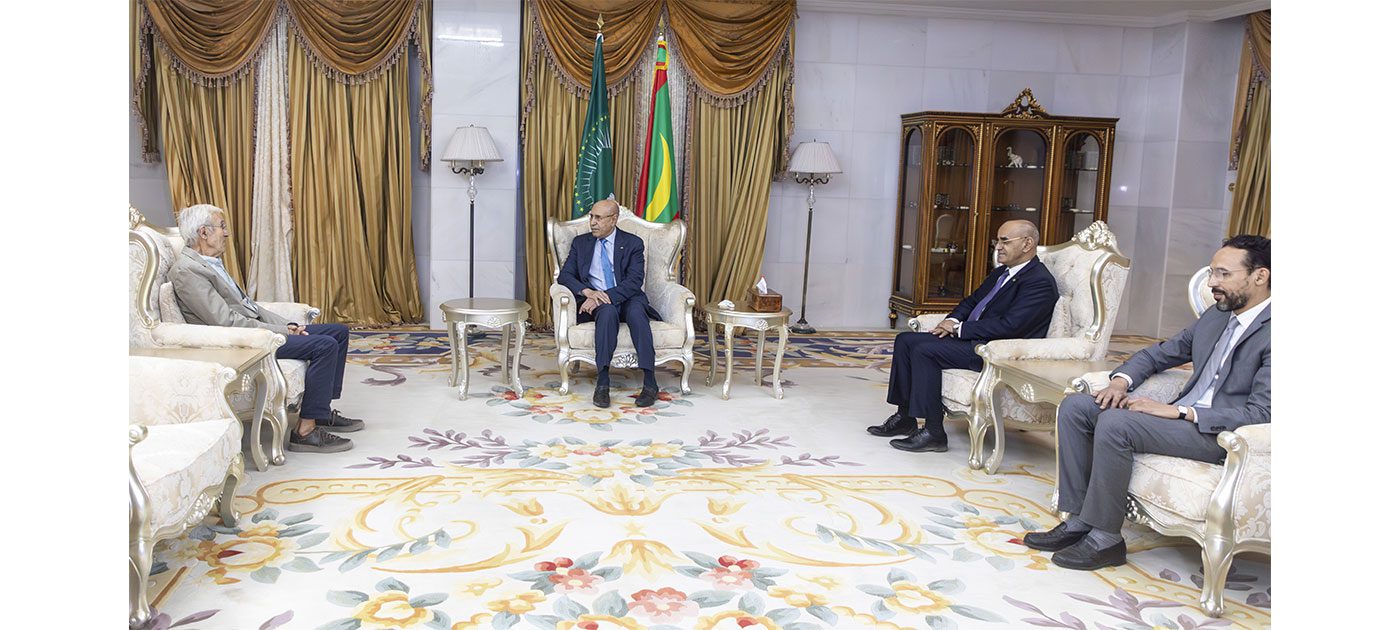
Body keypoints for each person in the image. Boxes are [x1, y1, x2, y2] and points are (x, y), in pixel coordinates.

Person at [1023, 235, 1271, 571]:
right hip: (1183, 420)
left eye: (1223, 274)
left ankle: (1106, 540)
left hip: (1221, 435)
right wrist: (1119, 382)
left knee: (1116, 423)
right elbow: (1159, 354)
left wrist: (1181, 411)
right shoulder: (1217, 316)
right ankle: (1079, 519)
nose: (1212, 283)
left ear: (1260, 276)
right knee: (1077, 407)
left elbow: (1262, 413)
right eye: (1212, 272)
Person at [170, 204, 362, 454]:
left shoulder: (209, 262)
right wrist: (279, 332)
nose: (226, 233)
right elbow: (225, 321)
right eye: (222, 226)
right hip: (242, 341)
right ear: (203, 232)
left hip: (255, 330)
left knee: (338, 332)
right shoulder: (187, 271)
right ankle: (305, 432)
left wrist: (289, 326)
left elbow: (250, 307)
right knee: (324, 346)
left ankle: (320, 412)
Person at [870, 219, 1059, 453]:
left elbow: (1011, 326)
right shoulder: (1002, 273)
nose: (998, 247)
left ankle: (934, 433)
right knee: (905, 341)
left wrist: (960, 329)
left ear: (1027, 244)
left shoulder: (1039, 282)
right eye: (997, 241)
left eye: (1005, 241)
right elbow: (971, 301)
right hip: (974, 339)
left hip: (994, 351)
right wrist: (952, 320)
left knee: (924, 351)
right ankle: (905, 416)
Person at [556, 199, 663, 409]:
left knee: (636, 313)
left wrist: (604, 295)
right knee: (606, 313)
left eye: (598, 218)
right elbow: (565, 276)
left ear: (613, 220)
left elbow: (634, 281)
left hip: (627, 296)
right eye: (591, 217)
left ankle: (650, 382)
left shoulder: (633, 243)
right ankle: (603, 382)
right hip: (598, 302)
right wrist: (588, 293)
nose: (592, 222)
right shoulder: (581, 243)